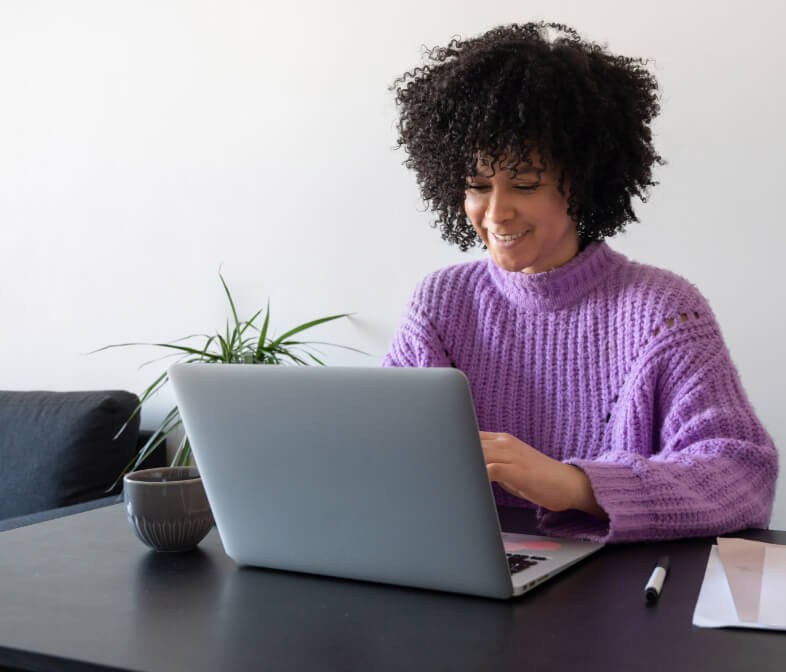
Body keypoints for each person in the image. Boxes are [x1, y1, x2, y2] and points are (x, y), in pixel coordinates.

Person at [382, 22, 778, 542]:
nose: (496, 213)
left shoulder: (663, 311)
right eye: (477, 186)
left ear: (584, 182)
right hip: (463, 568)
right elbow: (383, 446)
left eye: (525, 184)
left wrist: (575, 486)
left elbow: (742, 474)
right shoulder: (442, 303)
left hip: (611, 594)